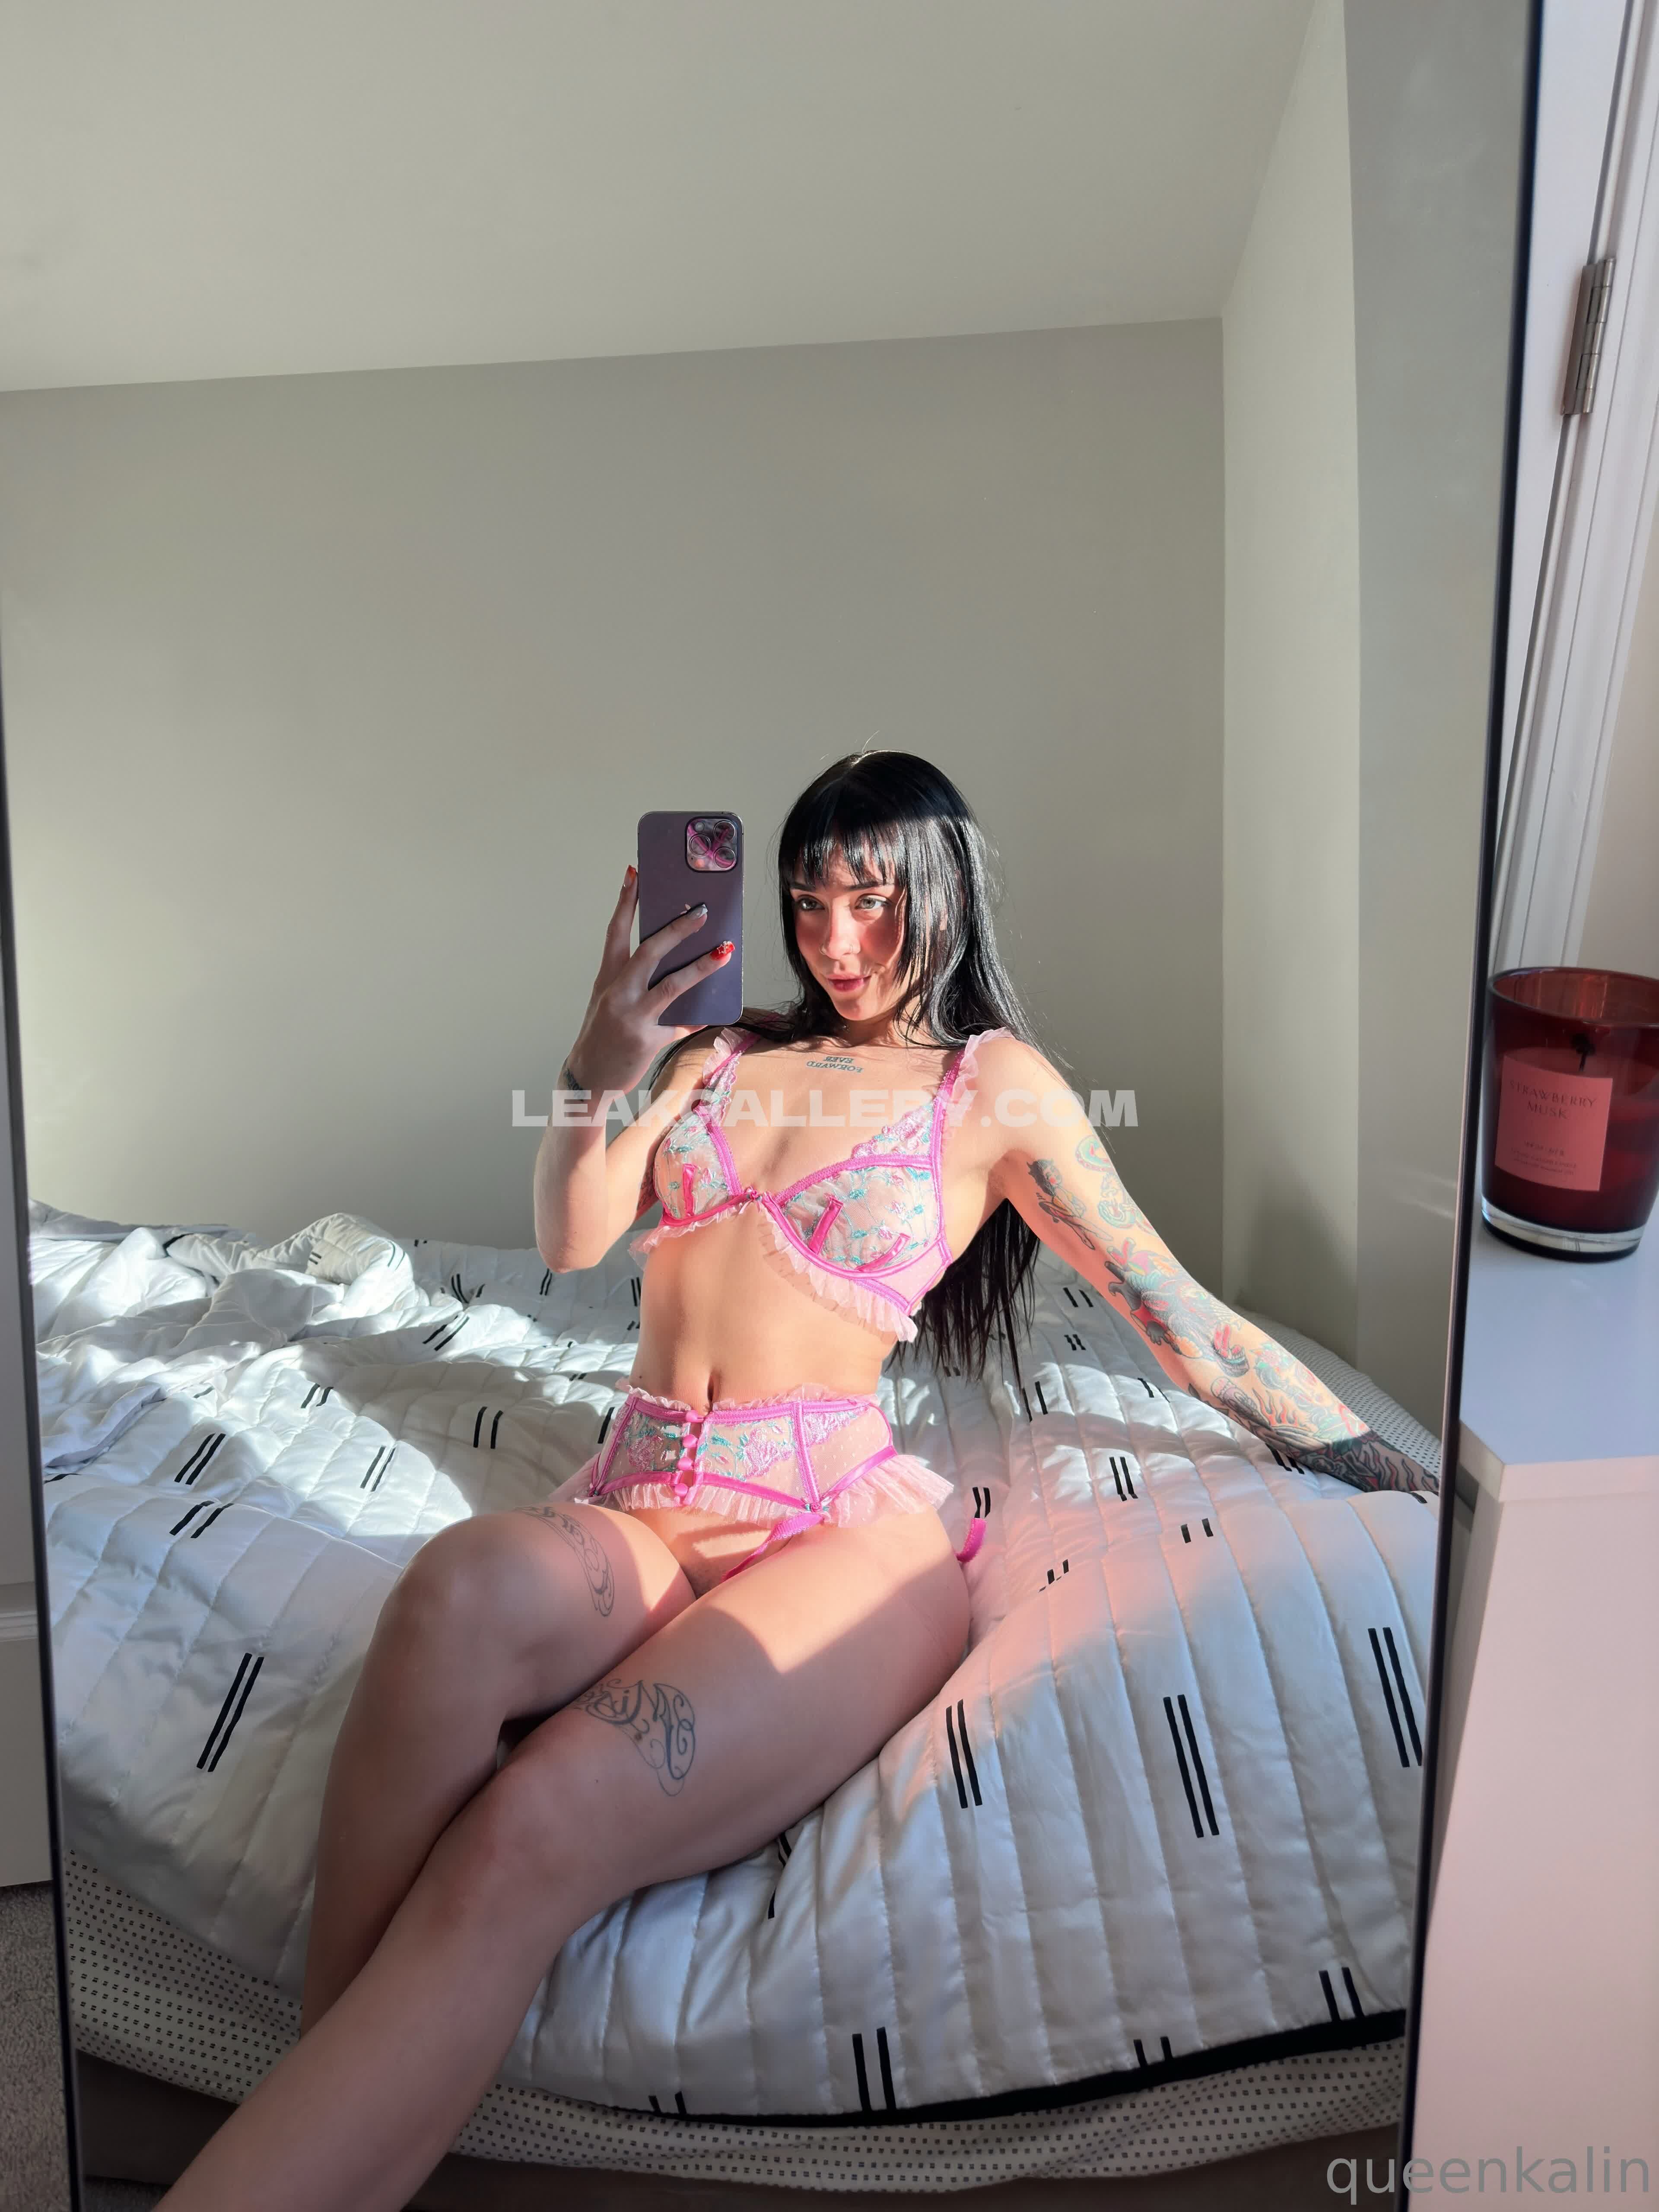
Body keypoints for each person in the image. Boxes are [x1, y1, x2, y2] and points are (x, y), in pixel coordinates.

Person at [157, 752, 1430, 2211]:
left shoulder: (988, 1087)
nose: (837, 939)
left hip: (839, 1533)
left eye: (875, 900)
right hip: (644, 1494)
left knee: (530, 1825)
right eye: (811, 900)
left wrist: (1384, 1467)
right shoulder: (720, 1054)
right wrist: (595, 1067)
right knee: (451, 1597)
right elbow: (573, 1238)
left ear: (943, 894)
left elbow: (1176, 1313)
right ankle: (338, 2109)